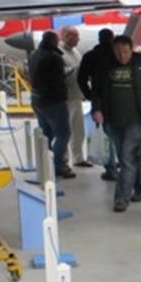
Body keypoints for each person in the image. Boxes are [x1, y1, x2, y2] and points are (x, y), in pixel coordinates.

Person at [91, 35, 141, 213]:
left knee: (125, 159)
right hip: (112, 121)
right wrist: (97, 109)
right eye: (118, 52)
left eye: (125, 52)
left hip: (136, 120)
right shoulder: (106, 65)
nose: (122, 56)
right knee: (128, 160)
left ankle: (121, 199)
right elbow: (97, 90)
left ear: (132, 49)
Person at [27, 31, 75, 179]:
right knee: (63, 134)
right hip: (53, 102)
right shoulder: (54, 57)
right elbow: (57, 81)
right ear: (54, 42)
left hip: (37, 100)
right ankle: (58, 165)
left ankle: (44, 166)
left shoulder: (35, 55)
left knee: (46, 135)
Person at [77, 28, 118, 180]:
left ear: (99, 39)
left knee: (106, 133)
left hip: (99, 100)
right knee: (119, 133)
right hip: (118, 99)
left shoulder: (90, 56)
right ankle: (123, 163)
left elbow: (81, 79)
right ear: (112, 38)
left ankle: (111, 167)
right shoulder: (117, 55)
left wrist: (89, 95)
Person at [59, 26, 90, 169]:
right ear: (66, 36)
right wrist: (75, 70)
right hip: (67, 97)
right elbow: (61, 73)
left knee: (79, 130)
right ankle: (64, 161)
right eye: (75, 36)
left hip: (77, 96)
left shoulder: (75, 51)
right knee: (65, 131)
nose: (78, 39)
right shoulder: (60, 52)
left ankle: (78, 158)